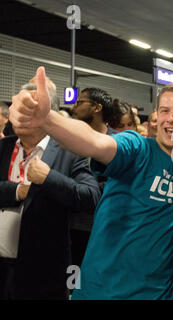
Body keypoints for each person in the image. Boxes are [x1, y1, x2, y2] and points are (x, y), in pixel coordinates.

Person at [9, 67, 173, 299]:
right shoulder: (138, 148)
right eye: (164, 110)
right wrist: (48, 120)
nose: (170, 118)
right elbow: (96, 142)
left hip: (158, 293)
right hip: (103, 291)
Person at [0, 79, 100, 299]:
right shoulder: (3, 147)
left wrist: (49, 178)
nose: (22, 114)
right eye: (19, 108)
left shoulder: (70, 152)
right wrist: (17, 191)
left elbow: (90, 197)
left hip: (43, 272)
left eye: (31, 109)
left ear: (49, 115)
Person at [70, 87, 117, 271]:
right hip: (71, 226)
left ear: (96, 108)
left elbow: (115, 185)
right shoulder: (70, 140)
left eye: (80, 102)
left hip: (101, 228)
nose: (74, 107)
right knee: (72, 280)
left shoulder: (117, 144)